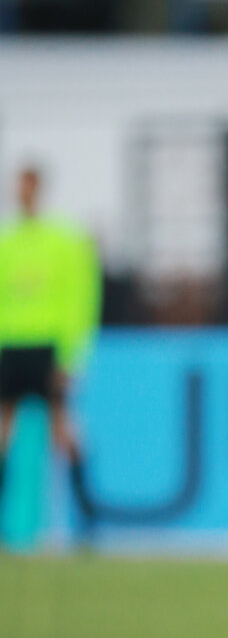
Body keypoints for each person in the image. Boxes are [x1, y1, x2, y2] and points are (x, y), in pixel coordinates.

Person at [0, 166, 100, 534]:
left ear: (40, 189)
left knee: (63, 431)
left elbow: (80, 299)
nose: (22, 193)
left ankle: (87, 519)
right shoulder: (6, 241)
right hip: (11, 345)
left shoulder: (63, 241)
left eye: (28, 186)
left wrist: (71, 356)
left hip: (48, 348)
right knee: (4, 432)